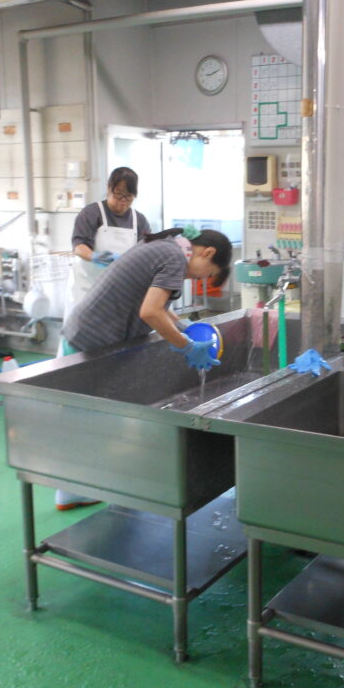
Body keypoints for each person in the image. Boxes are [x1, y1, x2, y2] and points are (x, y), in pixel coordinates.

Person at [54, 225, 232, 510]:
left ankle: (80, 485)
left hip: (89, 334)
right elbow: (150, 312)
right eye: (208, 273)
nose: (201, 279)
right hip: (91, 339)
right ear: (207, 253)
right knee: (82, 417)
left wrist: (181, 327)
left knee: (90, 415)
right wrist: (187, 346)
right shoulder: (175, 258)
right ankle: (69, 490)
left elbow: (153, 303)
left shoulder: (168, 247)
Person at [65, 166, 152, 320]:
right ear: (109, 188)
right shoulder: (91, 213)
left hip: (120, 290)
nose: (123, 200)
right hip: (88, 289)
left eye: (129, 196)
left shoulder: (139, 220)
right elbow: (79, 247)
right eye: (118, 194)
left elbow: (146, 252)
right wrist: (95, 256)